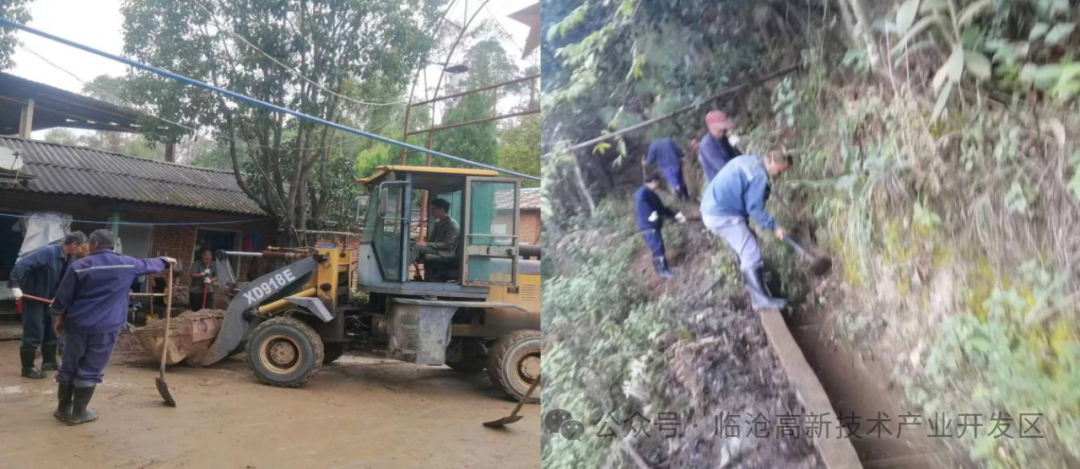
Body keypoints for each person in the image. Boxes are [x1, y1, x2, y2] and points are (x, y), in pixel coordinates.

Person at [51, 229, 175, 425]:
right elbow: (149, 265)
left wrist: (58, 319)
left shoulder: (79, 266)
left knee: (69, 366)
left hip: (76, 325)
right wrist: (166, 261)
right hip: (106, 327)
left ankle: (63, 409)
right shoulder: (127, 263)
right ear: (112, 246)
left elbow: (62, 298)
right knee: (91, 368)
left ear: (94, 245)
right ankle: (79, 413)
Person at [700, 148, 792, 310]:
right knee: (750, 251)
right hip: (722, 214)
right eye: (779, 169)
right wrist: (775, 226)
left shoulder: (751, 160)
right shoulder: (758, 176)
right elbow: (754, 209)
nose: (778, 174)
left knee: (746, 241)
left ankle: (754, 280)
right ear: (771, 161)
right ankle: (760, 300)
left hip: (712, 208)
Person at [8, 231, 88, 379]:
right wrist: (14, 285)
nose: (84, 251)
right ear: (74, 244)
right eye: (82, 247)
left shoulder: (70, 258)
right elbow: (22, 265)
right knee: (34, 331)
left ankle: (49, 361)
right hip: (34, 298)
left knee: (51, 331)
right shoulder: (47, 253)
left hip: (51, 300)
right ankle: (28, 368)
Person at [635, 172, 686, 279]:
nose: (659, 184)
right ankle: (663, 272)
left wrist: (675, 215)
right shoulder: (643, 193)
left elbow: (661, 209)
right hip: (648, 226)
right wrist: (650, 213)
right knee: (657, 247)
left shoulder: (651, 194)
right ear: (654, 182)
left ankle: (663, 269)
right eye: (658, 182)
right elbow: (641, 203)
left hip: (652, 225)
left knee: (658, 247)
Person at [417, 199, 461, 282]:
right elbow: (432, 239)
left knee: (417, 248)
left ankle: (402, 266)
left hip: (445, 252)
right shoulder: (439, 223)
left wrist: (427, 244)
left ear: (441, 210)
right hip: (437, 249)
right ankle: (428, 278)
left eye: (433, 209)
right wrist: (423, 243)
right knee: (415, 245)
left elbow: (448, 245)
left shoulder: (452, 225)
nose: (431, 211)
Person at [698, 110, 742, 184]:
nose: (723, 131)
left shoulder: (724, 138)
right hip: (720, 184)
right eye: (719, 128)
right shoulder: (707, 145)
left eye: (724, 128)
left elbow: (738, 156)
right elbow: (723, 167)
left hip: (733, 175)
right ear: (710, 127)